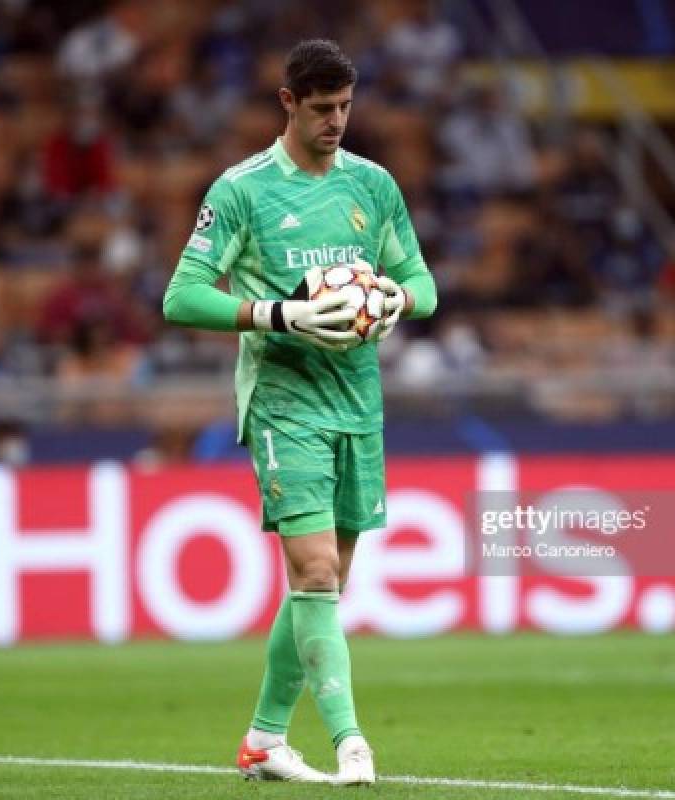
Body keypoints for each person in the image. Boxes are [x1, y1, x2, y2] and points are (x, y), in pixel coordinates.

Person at [162, 39, 436, 785]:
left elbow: (424, 281)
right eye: (322, 109)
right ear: (288, 102)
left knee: (325, 582)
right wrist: (279, 317)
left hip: (357, 402)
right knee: (314, 571)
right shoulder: (243, 190)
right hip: (285, 400)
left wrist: (392, 300)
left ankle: (264, 741)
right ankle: (352, 742)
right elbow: (181, 297)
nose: (337, 122)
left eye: (346, 106)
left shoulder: (373, 186)